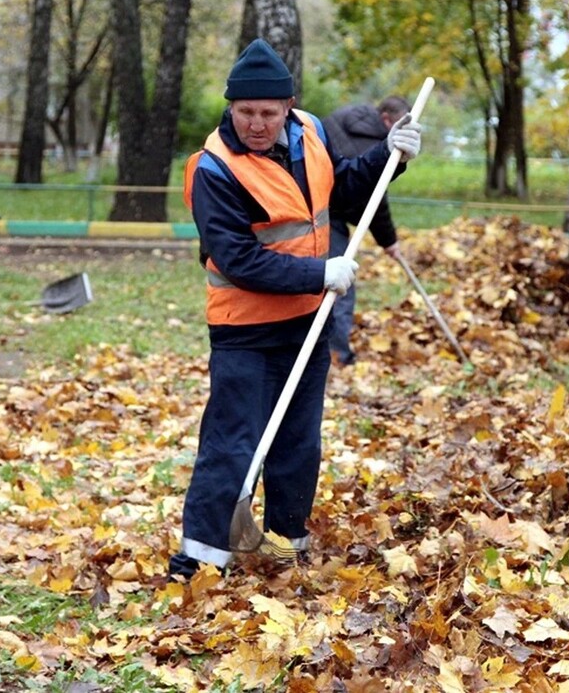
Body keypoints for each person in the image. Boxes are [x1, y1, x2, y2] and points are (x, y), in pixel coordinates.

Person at [172, 39, 422, 579]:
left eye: (267, 112)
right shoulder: (214, 168)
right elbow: (238, 259)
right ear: (231, 107)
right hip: (245, 330)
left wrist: (388, 157)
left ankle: (288, 543)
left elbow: (348, 192)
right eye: (245, 112)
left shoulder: (310, 132)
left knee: (299, 442)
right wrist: (320, 272)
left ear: (288, 106)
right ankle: (198, 561)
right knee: (232, 444)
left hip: (308, 323)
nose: (257, 124)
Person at [321, 96, 410, 365]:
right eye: (399, 124)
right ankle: (338, 354)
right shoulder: (371, 143)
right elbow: (374, 199)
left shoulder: (343, 116)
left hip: (313, 204)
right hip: (327, 212)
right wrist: (388, 240)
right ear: (386, 119)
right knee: (340, 284)